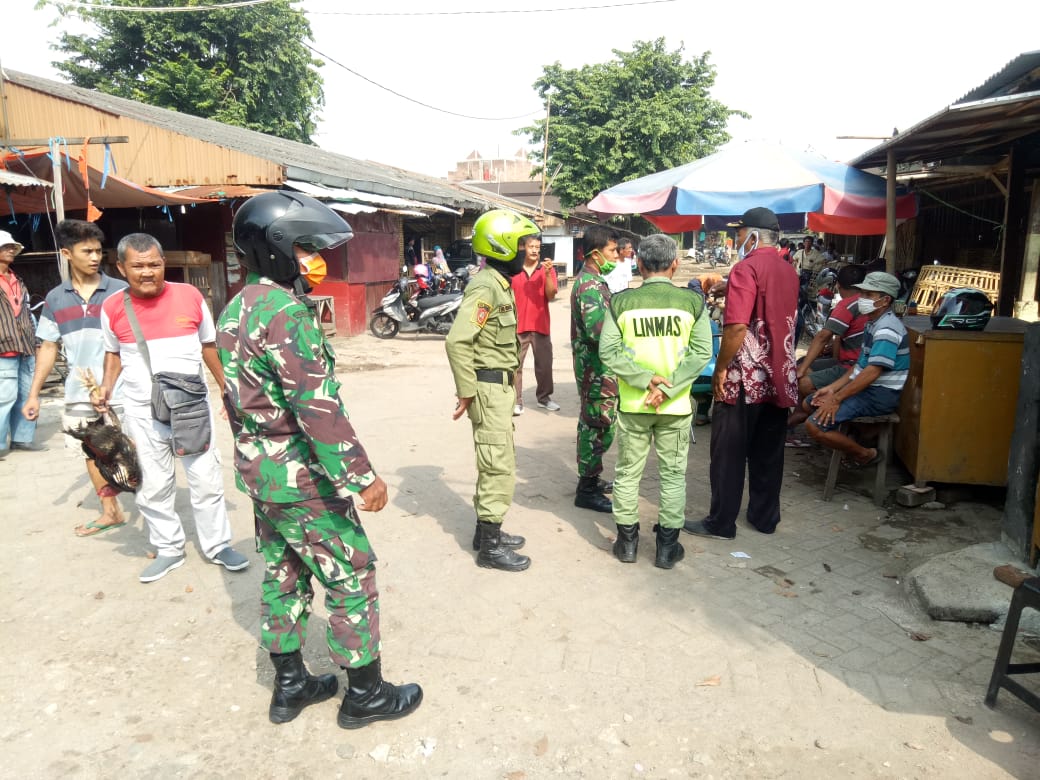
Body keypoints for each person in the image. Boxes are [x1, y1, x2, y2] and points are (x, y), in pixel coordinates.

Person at [218, 191, 421, 729]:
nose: (316, 259)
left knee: (283, 573)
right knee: (351, 573)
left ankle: (291, 686)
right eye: (306, 248)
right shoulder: (287, 314)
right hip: (301, 475)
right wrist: (362, 477)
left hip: (262, 472)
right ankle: (366, 694)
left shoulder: (238, 308)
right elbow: (317, 410)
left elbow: (236, 400)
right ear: (278, 248)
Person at [93, 233, 249, 583]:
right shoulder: (113, 307)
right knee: (153, 485)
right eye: (138, 266)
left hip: (191, 407)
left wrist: (226, 389)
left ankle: (217, 545)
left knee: (206, 479)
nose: (147, 272)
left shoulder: (190, 296)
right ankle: (168, 548)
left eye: (154, 264)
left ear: (164, 263)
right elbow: (113, 353)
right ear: (121, 268)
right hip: (141, 411)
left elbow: (208, 345)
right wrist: (106, 387)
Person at [683, 207, 799, 541]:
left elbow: (736, 327)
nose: (736, 240)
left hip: (745, 376)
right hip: (780, 374)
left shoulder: (746, 268)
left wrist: (720, 368)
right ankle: (765, 517)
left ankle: (721, 522)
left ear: (753, 235)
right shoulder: (788, 270)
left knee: (728, 453)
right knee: (768, 452)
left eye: (739, 233)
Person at [600, 234, 713, 568]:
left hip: (634, 406)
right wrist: (669, 388)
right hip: (674, 407)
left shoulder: (621, 302)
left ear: (639, 263)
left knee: (627, 474)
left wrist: (644, 379)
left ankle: (627, 545)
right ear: (675, 264)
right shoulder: (693, 302)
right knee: (673, 476)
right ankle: (666, 549)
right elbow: (701, 353)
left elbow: (608, 351)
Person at [22, 220, 129, 535]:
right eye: (87, 251)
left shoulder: (121, 291)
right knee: (93, 453)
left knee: (138, 451)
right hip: (79, 392)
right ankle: (110, 512)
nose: (95, 257)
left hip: (124, 389)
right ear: (67, 253)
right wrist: (34, 394)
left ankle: (158, 524)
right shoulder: (55, 298)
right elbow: (48, 346)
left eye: (98, 251)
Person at [446, 208, 538, 573]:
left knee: (495, 461)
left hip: (498, 387)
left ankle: (485, 533)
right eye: (521, 245)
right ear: (501, 247)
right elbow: (457, 341)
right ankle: (490, 547)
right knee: (498, 466)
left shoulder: (498, 282)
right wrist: (466, 391)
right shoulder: (486, 286)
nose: (527, 251)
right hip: (486, 388)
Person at [804, 272, 909, 466]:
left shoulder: (887, 328)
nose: (862, 299)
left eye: (868, 295)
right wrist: (832, 389)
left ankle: (866, 454)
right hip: (867, 390)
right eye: (863, 293)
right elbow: (858, 367)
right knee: (810, 402)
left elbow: (872, 372)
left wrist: (836, 398)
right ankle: (855, 439)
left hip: (879, 395)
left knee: (814, 426)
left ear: (885, 300)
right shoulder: (872, 324)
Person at [571, 224, 620, 513]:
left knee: (599, 422)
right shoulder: (589, 285)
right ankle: (586, 489)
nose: (616, 256)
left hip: (598, 367)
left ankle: (592, 477)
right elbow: (598, 331)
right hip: (595, 368)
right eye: (612, 250)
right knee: (596, 424)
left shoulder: (594, 281)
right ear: (595, 253)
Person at [787, 264, 868, 432]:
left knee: (803, 379)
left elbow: (822, 336)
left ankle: (807, 412)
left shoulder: (848, 305)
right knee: (803, 364)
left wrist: (802, 369)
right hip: (851, 362)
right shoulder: (867, 303)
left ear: (838, 285)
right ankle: (801, 411)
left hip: (853, 366)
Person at [0, 230, 42, 457]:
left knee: (27, 393)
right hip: (3, 347)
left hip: (24, 345)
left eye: (11, 247)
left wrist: (36, 341)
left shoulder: (17, 280)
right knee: (4, 397)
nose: (10, 249)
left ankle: (22, 438)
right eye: (5, 246)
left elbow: (26, 312)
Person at [511, 233, 560, 415]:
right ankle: (516, 401)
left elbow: (551, 295)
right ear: (522, 248)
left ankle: (544, 398)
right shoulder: (514, 270)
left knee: (545, 365)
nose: (535, 251)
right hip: (518, 326)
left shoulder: (547, 269)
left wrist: (547, 274)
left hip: (541, 325)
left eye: (538, 248)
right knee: (515, 366)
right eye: (531, 247)